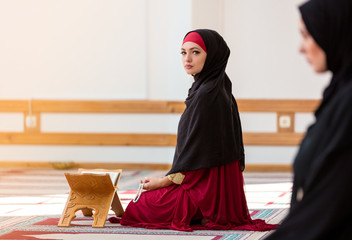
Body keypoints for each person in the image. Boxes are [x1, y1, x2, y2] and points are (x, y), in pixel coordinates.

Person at [109, 29, 277, 232]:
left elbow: (196, 157)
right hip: (216, 188)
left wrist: (163, 182)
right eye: (183, 52)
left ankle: (204, 213)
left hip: (205, 190)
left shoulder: (206, 95)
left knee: (139, 207)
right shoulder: (218, 86)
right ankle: (206, 213)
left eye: (195, 52)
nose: (187, 59)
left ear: (212, 55)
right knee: (145, 204)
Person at [266, 0, 352, 239]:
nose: (301, 48)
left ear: (334, 30)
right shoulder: (338, 93)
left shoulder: (347, 102)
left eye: (306, 35)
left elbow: (328, 205)